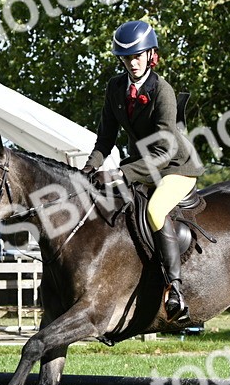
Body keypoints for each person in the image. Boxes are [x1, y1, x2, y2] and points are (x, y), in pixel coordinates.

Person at [81, 20, 204, 324]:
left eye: (137, 56)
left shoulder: (163, 91)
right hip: (142, 166)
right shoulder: (115, 88)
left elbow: (164, 152)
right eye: (126, 58)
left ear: (151, 55)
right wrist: (89, 167)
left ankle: (175, 288)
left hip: (176, 166)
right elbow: (106, 138)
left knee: (155, 210)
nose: (132, 63)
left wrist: (122, 174)